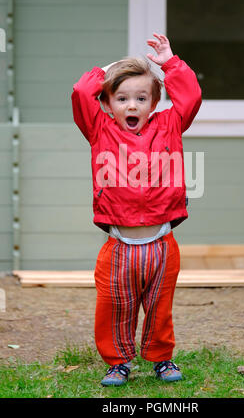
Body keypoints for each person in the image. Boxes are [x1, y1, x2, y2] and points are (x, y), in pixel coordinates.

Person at [71, 34, 202, 386]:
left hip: (161, 243)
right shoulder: (99, 130)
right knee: (115, 307)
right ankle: (117, 362)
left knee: (159, 308)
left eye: (141, 98)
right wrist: (107, 70)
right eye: (122, 98)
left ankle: (162, 359)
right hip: (119, 247)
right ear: (108, 103)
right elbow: (82, 94)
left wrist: (170, 63)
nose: (132, 106)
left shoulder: (169, 124)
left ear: (154, 102)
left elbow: (190, 98)